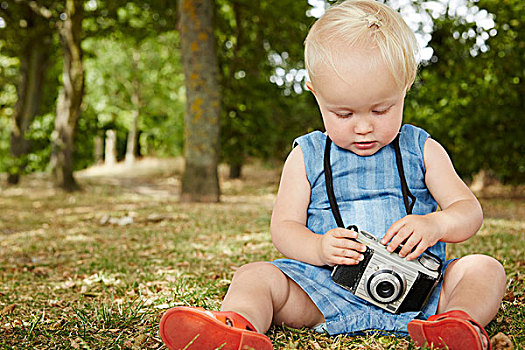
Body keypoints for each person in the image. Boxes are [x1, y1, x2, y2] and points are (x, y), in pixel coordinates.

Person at [159, 1, 507, 349]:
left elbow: (468, 211)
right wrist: (319, 247)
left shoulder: (422, 149)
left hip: (421, 293)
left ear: (405, 86)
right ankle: (237, 326)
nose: (364, 127)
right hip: (325, 290)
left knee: (484, 269)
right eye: (343, 114)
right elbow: (284, 228)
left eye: (381, 109)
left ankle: (456, 322)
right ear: (316, 95)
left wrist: (436, 224)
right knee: (254, 275)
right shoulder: (306, 157)